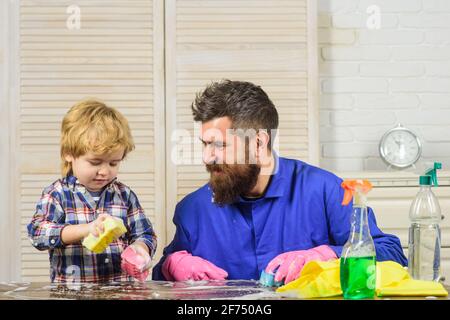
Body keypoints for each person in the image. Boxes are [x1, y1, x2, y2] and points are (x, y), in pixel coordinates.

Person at [152, 80, 407, 284]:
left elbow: (392, 254)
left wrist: (328, 255)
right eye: (205, 145)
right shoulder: (192, 209)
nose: (207, 157)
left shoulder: (326, 191)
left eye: (219, 144)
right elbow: (162, 277)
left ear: (260, 143)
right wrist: (170, 265)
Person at [27, 100, 157, 283]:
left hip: (120, 292)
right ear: (68, 153)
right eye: (95, 162)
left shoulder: (124, 195)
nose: (104, 171)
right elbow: (37, 233)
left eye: (113, 163)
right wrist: (86, 229)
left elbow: (145, 234)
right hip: (71, 294)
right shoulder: (57, 194)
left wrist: (140, 248)